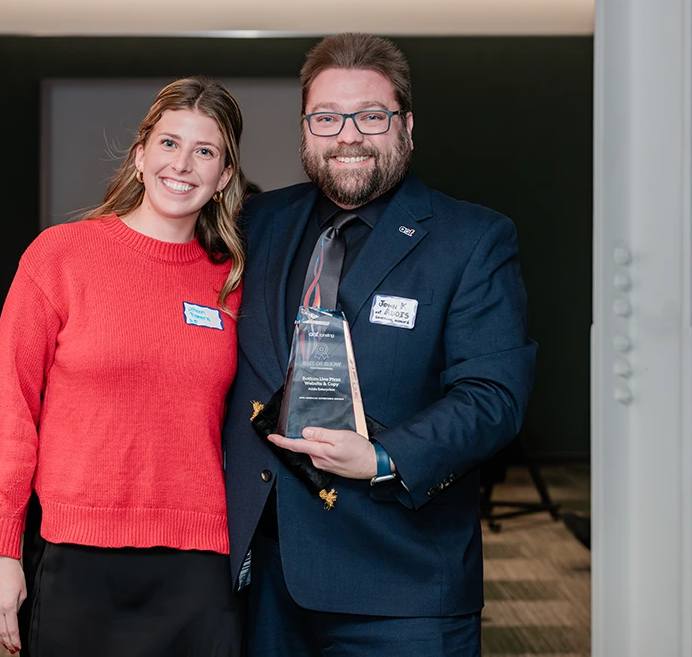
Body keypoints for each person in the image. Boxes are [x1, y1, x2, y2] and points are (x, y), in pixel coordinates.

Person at [223, 33, 537, 656]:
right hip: (262, 579)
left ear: (407, 126)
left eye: (371, 115)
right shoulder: (256, 223)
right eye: (326, 117)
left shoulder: (472, 239)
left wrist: (384, 457)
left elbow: (493, 395)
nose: (348, 135)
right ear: (305, 128)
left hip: (401, 587)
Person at [0, 76, 248, 657]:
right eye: (169, 144)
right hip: (76, 552)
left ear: (223, 178)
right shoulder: (60, 256)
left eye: (205, 151)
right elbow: (9, 405)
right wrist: (0, 549)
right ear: (140, 156)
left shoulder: (233, 280)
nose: (184, 164)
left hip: (197, 561)